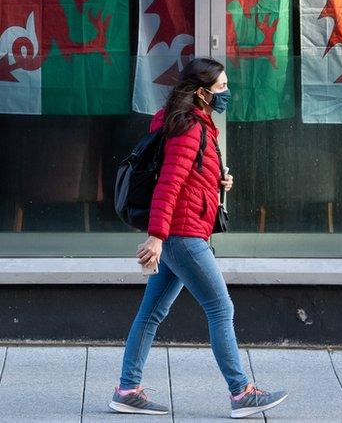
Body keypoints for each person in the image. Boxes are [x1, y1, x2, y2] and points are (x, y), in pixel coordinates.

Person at [109, 58, 288, 419]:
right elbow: (169, 184)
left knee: (151, 312)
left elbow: (185, 174)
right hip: (182, 234)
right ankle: (241, 393)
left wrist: (217, 181)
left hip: (180, 230)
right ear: (201, 92)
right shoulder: (189, 127)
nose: (226, 93)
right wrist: (157, 237)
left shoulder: (181, 121)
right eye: (221, 88)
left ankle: (127, 389)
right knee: (221, 308)